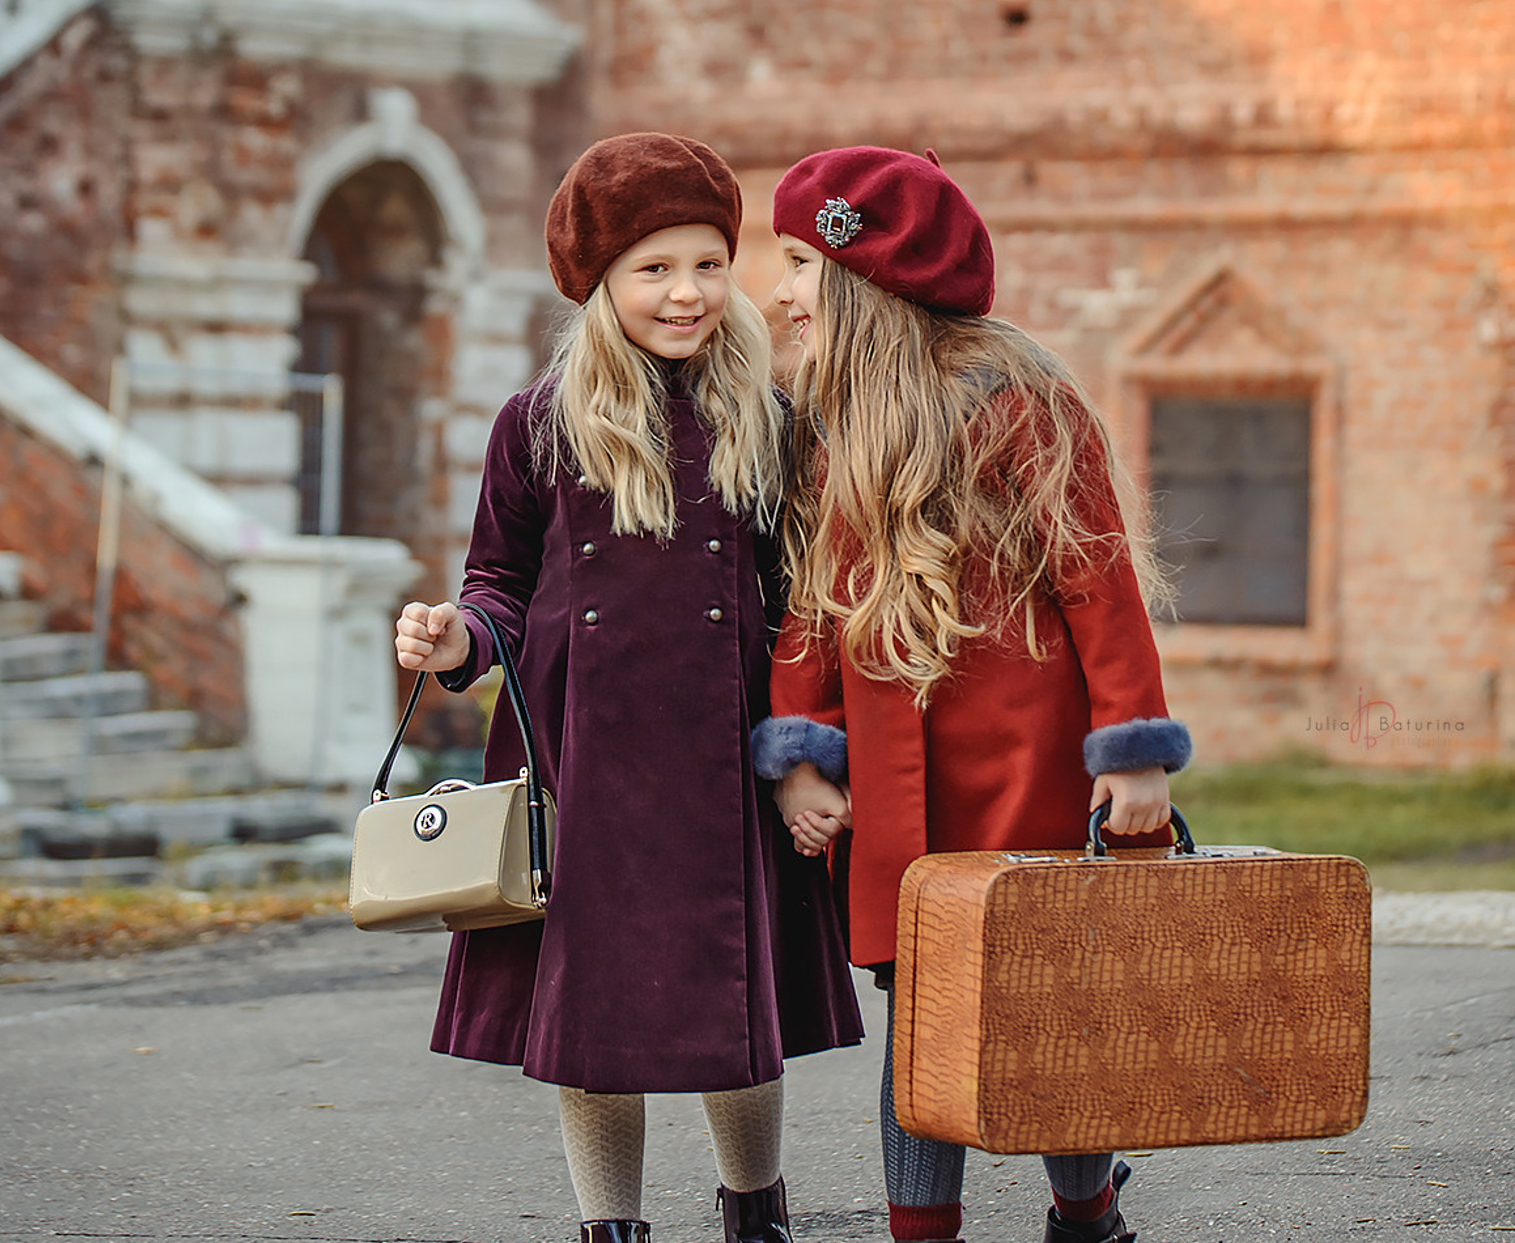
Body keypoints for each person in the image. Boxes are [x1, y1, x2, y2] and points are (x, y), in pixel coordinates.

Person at [394, 132, 863, 1243]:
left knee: (730, 994)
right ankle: (611, 1228)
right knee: (594, 1010)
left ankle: (757, 1214)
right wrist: (457, 637)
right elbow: (499, 583)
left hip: (727, 755)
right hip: (580, 761)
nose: (688, 292)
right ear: (599, 280)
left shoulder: (776, 418)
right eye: (655, 268)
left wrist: (801, 752)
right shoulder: (539, 423)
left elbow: (808, 607)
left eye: (709, 262)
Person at [751, 146, 1192, 1243]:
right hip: (900, 795)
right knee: (922, 1020)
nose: (779, 291)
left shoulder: (1020, 401)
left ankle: (1086, 1214)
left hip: (1024, 769)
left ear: (864, 280)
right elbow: (812, 602)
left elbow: (1098, 580)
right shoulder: (826, 425)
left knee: (1051, 1009)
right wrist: (802, 752)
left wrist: (1130, 752)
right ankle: (921, 1231)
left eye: (800, 263)